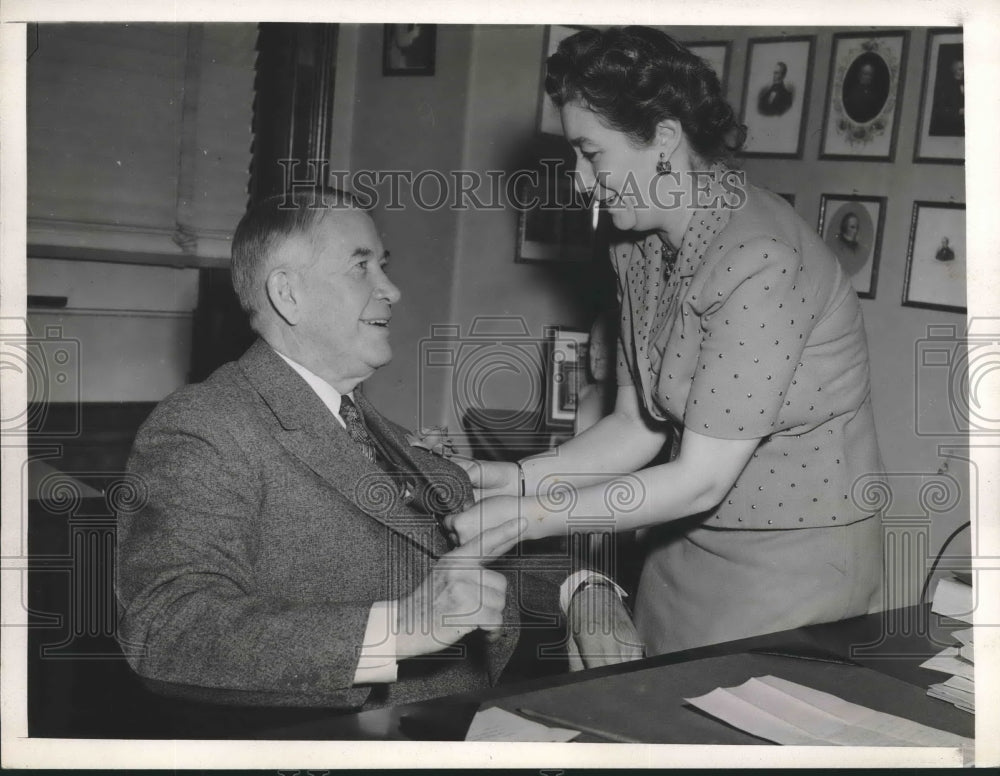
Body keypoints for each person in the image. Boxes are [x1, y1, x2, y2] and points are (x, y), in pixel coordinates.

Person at [447, 26, 885, 657]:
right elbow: (638, 427)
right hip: (681, 543)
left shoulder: (760, 258)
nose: (579, 180)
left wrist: (526, 519)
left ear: (665, 141)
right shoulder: (639, 244)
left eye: (590, 154)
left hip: (795, 564)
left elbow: (701, 478)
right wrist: (510, 478)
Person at [115, 190, 634, 709]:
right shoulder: (207, 424)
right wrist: (401, 628)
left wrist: (583, 589)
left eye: (383, 266)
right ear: (287, 294)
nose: (392, 289)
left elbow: (481, 554)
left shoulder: (381, 429)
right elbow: (166, 631)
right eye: (360, 267)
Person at [842, 59, 888, 124]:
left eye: (870, 75)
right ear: (859, 75)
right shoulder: (854, 93)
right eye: (865, 74)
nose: (868, 77)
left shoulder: (873, 93)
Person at [826, 211, 867, 277]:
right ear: (845, 226)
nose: (855, 231)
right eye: (852, 227)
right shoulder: (836, 244)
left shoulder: (858, 248)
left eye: (857, 227)